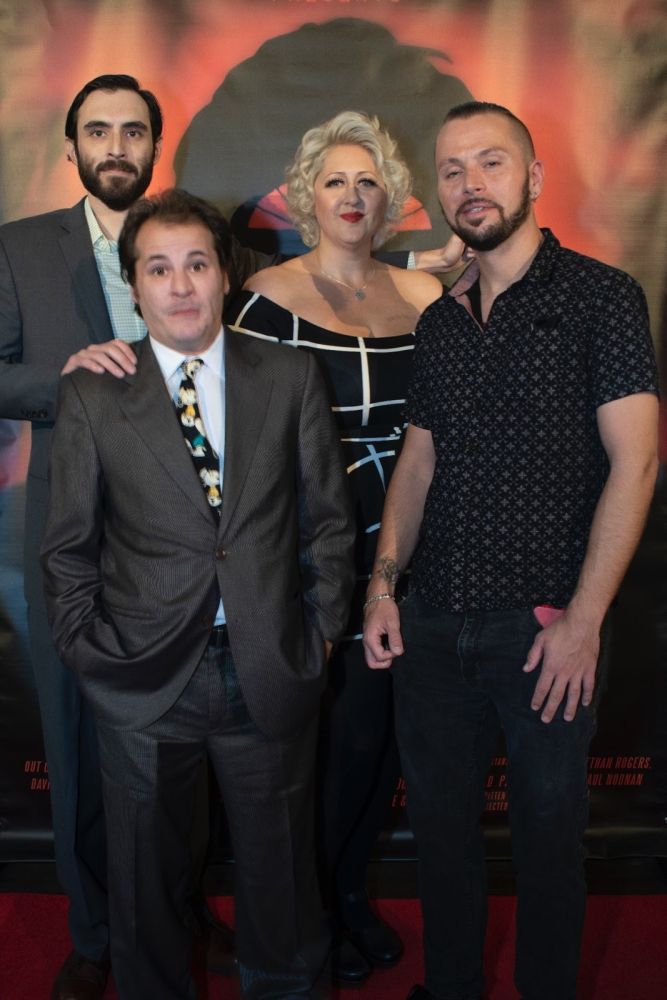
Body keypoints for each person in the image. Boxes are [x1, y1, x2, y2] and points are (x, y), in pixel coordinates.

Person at [362, 101, 659, 1000]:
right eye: (452, 170)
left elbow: (637, 461)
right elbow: (417, 463)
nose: (470, 184)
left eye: (490, 163)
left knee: (547, 842)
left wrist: (583, 620)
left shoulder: (601, 297)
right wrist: (383, 586)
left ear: (532, 177)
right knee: (441, 840)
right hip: (431, 628)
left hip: (542, 630)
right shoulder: (441, 320)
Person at [40, 187, 355, 1000]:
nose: (179, 286)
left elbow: (328, 522)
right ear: (134, 285)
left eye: (196, 265)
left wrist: (317, 635)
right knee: (144, 892)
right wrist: (90, 653)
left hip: (268, 671)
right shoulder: (94, 393)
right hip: (141, 681)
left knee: (283, 886)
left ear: (224, 275)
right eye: (158, 268)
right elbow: (68, 548)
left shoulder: (288, 375)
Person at [0, 74, 246, 1000]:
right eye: (97, 131)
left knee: (186, 740)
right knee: (75, 744)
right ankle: (95, 932)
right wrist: (65, 373)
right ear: (71, 149)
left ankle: (181, 913)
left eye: (133, 131)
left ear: (153, 144)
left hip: (187, 538)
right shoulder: (20, 247)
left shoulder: (191, 243)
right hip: (69, 532)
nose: (116, 146)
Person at [229, 110, 465, 987]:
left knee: (395, 739)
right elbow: (243, 442)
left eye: (368, 181)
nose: (352, 195)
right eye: (334, 180)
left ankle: (350, 892)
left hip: (420, 547)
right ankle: (313, 911)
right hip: (321, 553)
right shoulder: (263, 300)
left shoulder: (426, 298)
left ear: (391, 198)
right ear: (306, 197)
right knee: (341, 744)